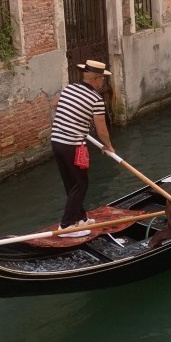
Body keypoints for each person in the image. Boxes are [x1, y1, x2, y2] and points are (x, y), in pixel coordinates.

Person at [51, 59, 114, 231]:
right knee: (80, 185)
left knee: (71, 183)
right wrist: (108, 146)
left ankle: (80, 218)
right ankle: (67, 226)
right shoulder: (96, 99)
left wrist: (71, 117)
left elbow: (55, 104)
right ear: (96, 79)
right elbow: (101, 130)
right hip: (72, 145)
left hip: (57, 141)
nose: (103, 82)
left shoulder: (70, 88)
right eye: (102, 79)